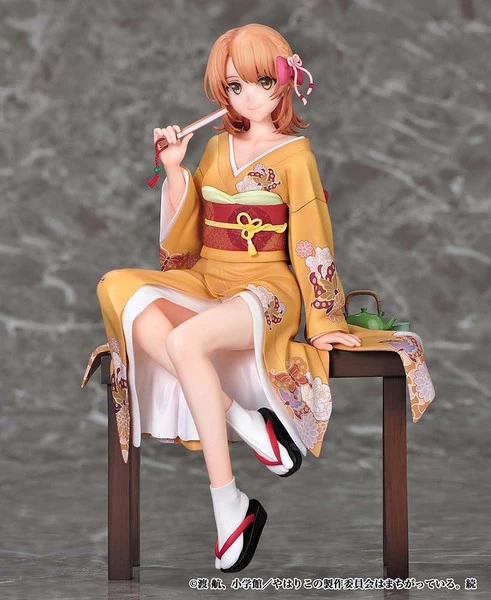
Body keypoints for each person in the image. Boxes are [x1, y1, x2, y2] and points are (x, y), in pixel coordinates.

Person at [95, 23, 408, 573]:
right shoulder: (216, 146)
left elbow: (312, 239)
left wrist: (325, 319)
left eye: (262, 82)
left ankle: (228, 505)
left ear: (284, 81)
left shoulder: (296, 157)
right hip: (209, 277)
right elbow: (187, 231)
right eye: (235, 86)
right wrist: (175, 171)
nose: (248, 97)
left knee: (186, 342)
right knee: (117, 288)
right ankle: (245, 421)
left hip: (267, 288)